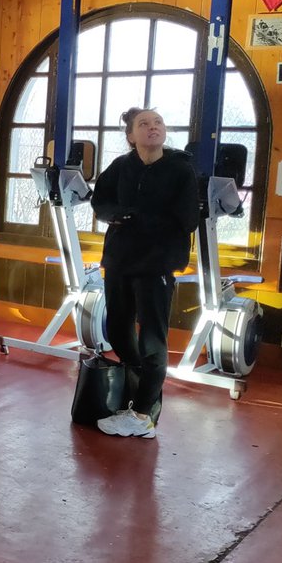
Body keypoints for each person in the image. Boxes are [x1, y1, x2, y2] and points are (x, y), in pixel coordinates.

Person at [91, 107, 199, 439]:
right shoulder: (122, 166)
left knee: (152, 337)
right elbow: (100, 201)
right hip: (120, 260)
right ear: (131, 136)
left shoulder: (181, 169)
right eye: (144, 124)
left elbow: (187, 220)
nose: (153, 128)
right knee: (118, 331)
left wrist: (140, 220)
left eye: (158, 123)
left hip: (157, 263)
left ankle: (141, 413)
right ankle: (144, 397)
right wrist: (116, 215)